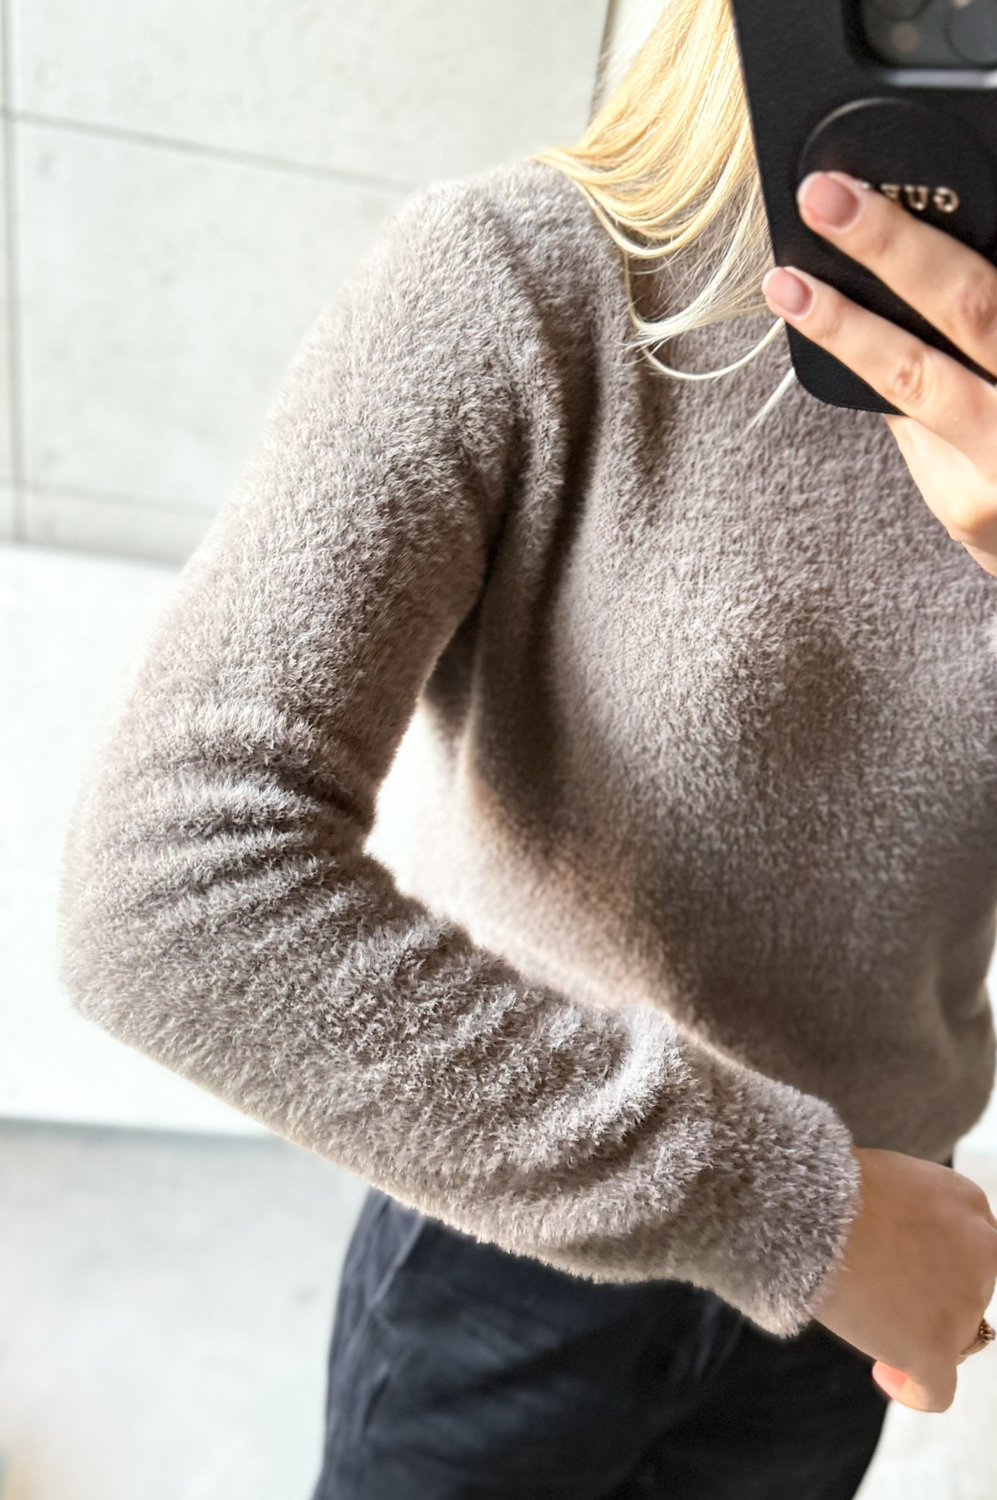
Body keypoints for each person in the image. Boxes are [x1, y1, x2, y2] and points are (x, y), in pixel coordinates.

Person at [55, 0, 997, 1495]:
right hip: (522, 1218)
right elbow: (169, 895)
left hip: (852, 1310)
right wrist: (808, 1215)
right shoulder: (529, 278)